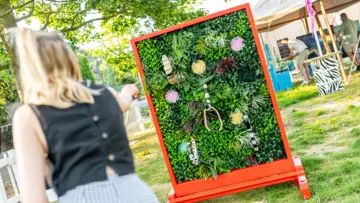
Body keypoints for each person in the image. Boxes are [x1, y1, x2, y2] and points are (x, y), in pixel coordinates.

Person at [10, 28, 159, 203]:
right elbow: (124, 103)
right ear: (70, 59)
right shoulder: (106, 93)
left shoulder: (28, 116)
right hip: (136, 192)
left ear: (31, 69)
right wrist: (128, 90)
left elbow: (34, 198)